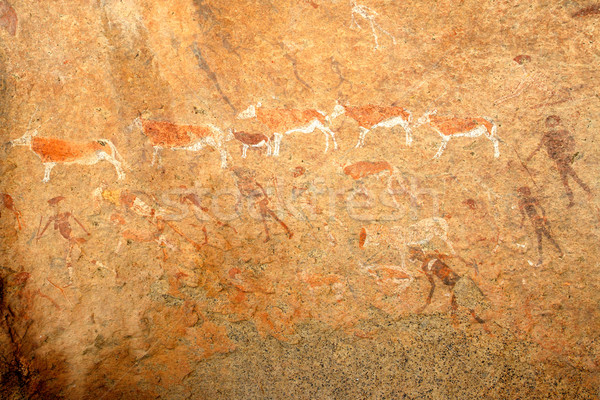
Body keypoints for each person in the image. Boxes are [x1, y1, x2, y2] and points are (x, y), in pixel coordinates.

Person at [527, 115, 591, 207]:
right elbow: (539, 147)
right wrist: (530, 156)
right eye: (548, 123)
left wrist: (568, 153)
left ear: (557, 122)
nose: (550, 124)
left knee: (571, 178)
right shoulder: (547, 135)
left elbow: (572, 143)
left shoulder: (563, 132)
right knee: (567, 180)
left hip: (563, 159)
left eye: (552, 122)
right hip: (558, 160)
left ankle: (583, 194)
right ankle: (575, 198)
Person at [517, 186, 563, 265]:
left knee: (544, 238)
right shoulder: (521, 202)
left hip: (539, 221)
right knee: (542, 239)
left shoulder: (532, 199)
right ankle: (556, 252)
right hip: (534, 223)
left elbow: (542, 209)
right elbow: (523, 216)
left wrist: (544, 218)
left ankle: (556, 252)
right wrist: (521, 225)